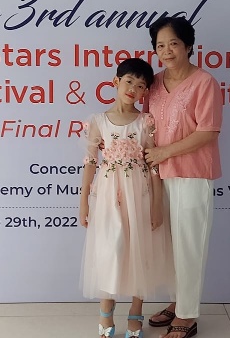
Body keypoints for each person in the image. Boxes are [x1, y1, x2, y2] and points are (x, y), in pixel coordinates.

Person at [79, 57, 175, 338]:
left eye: (141, 85)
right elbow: (90, 163)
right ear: (116, 82)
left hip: (140, 193)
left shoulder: (146, 122)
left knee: (139, 249)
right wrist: (83, 201)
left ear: (146, 92)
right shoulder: (98, 121)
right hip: (109, 195)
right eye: (129, 82)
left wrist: (157, 204)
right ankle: (106, 312)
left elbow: (153, 165)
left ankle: (136, 312)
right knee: (111, 248)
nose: (133, 89)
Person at [143, 16, 223, 338]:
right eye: (160, 45)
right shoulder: (153, 84)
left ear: (188, 46)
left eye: (173, 44)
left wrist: (165, 152)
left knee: (189, 245)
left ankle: (187, 315)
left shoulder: (204, 83)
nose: (166, 51)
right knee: (169, 246)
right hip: (160, 175)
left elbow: (208, 131)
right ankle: (177, 302)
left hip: (192, 174)